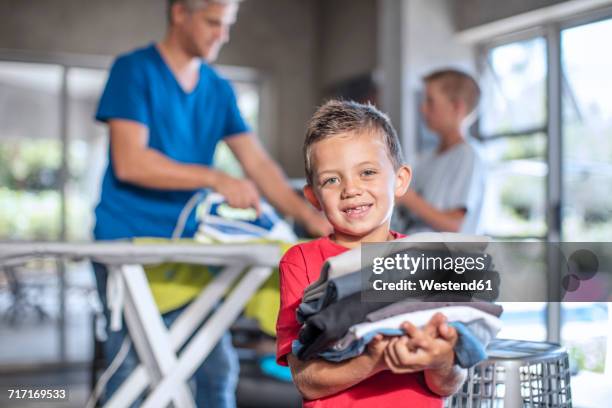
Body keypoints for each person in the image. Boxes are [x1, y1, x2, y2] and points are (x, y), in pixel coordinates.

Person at [93, 0, 331, 406]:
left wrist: (309, 217)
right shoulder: (134, 71)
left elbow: (257, 163)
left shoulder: (217, 89)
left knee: (216, 368)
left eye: (228, 25)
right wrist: (216, 179)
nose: (222, 35)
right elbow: (130, 161)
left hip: (189, 248)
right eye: (213, 23)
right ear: (180, 13)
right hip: (131, 244)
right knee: (133, 371)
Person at [275, 100, 466, 407]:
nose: (351, 189)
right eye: (332, 180)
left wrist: (441, 360)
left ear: (400, 180)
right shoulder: (301, 262)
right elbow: (306, 381)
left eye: (366, 172)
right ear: (313, 196)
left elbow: (448, 384)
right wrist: (374, 360)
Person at [397, 69, 485, 234]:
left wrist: (408, 198)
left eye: (430, 101)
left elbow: (456, 225)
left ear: (456, 107)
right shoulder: (425, 159)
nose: (423, 108)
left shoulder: (468, 156)